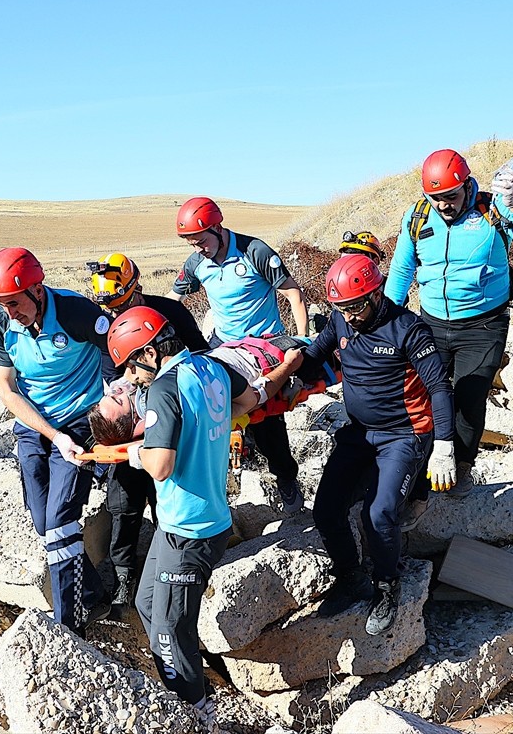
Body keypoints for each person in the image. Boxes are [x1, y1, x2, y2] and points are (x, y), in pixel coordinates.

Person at [105, 306, 262, 712]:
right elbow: (243, 402)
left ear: (151, 352)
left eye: (133, 367)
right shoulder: (209, 366)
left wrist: (135, 452)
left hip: (189, 528)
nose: (133, 378)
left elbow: (160, 465)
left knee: (171, 630)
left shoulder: (164, 388)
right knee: (147, 603)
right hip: (187, 520)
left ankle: (195, 708)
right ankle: (192, 684)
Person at [297, 255, 455, 636]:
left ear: (376, 293)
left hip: (404, 434)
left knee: (379, 514)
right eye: (342, 309)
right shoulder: (340, 320)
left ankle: (387, 587)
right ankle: (351, 577)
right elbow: (316, 354)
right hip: (360, 431)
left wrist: (445, 445)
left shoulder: (408, 330)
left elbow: (438, 387)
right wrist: (284, 373)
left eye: (355, 307)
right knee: (326, 509)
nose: (349, 317)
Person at [385, 149, 513, 497]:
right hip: (431, 322)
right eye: (436, 199)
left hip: (483, 326)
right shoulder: (417, 217)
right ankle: (417, 476)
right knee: (423, 396)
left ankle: (461, 468)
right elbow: (402, 270)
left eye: (450, 196)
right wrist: (388, 318)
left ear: (466, 185)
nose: (444, 205)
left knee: (468, 396)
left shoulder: (493, 210)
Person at [0, 247, 111, 635]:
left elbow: (115, 354)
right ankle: (93, 595)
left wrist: (108, 410)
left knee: (60, 522)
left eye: (15, 303)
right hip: (37, 424)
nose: (9, 313)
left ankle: (69, 627)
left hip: (80, 419)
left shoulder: (76, 312)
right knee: (42, 520)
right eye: (0, 304)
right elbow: (6, 389)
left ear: (37, 290)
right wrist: (51, 435)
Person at [86, 252, 209, 618]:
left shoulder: (169, 313)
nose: (116, 316)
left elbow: (201, 355)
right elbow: (115, 380)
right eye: (111, 308)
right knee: (123, 503)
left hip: (172, 415)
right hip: (131, 421)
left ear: (136, 288)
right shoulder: (112, 329)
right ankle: (125, 578)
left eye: (122, 305)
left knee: (166, 495)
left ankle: (175, 566)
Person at [168, 196, 310, 513]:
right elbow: (173, 300)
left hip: (266, 344)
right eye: (191, 244)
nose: (197, 249)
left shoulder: (253, 251)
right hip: (225, 345)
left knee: (267, 422)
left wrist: (301, 341)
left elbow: (293, 293)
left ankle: (287, 481)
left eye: (201, 241)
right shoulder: (196, 263)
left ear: (218, 228)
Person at [88, 334, 339, 446]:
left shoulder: (149, 392)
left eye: (111, 395)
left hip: (250, 351)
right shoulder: (168, 405)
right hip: (272, 359)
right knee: (342, 353)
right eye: (118, 401)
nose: (117, 391)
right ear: (136, 424)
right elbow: (255, 397)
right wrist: (287, 366)